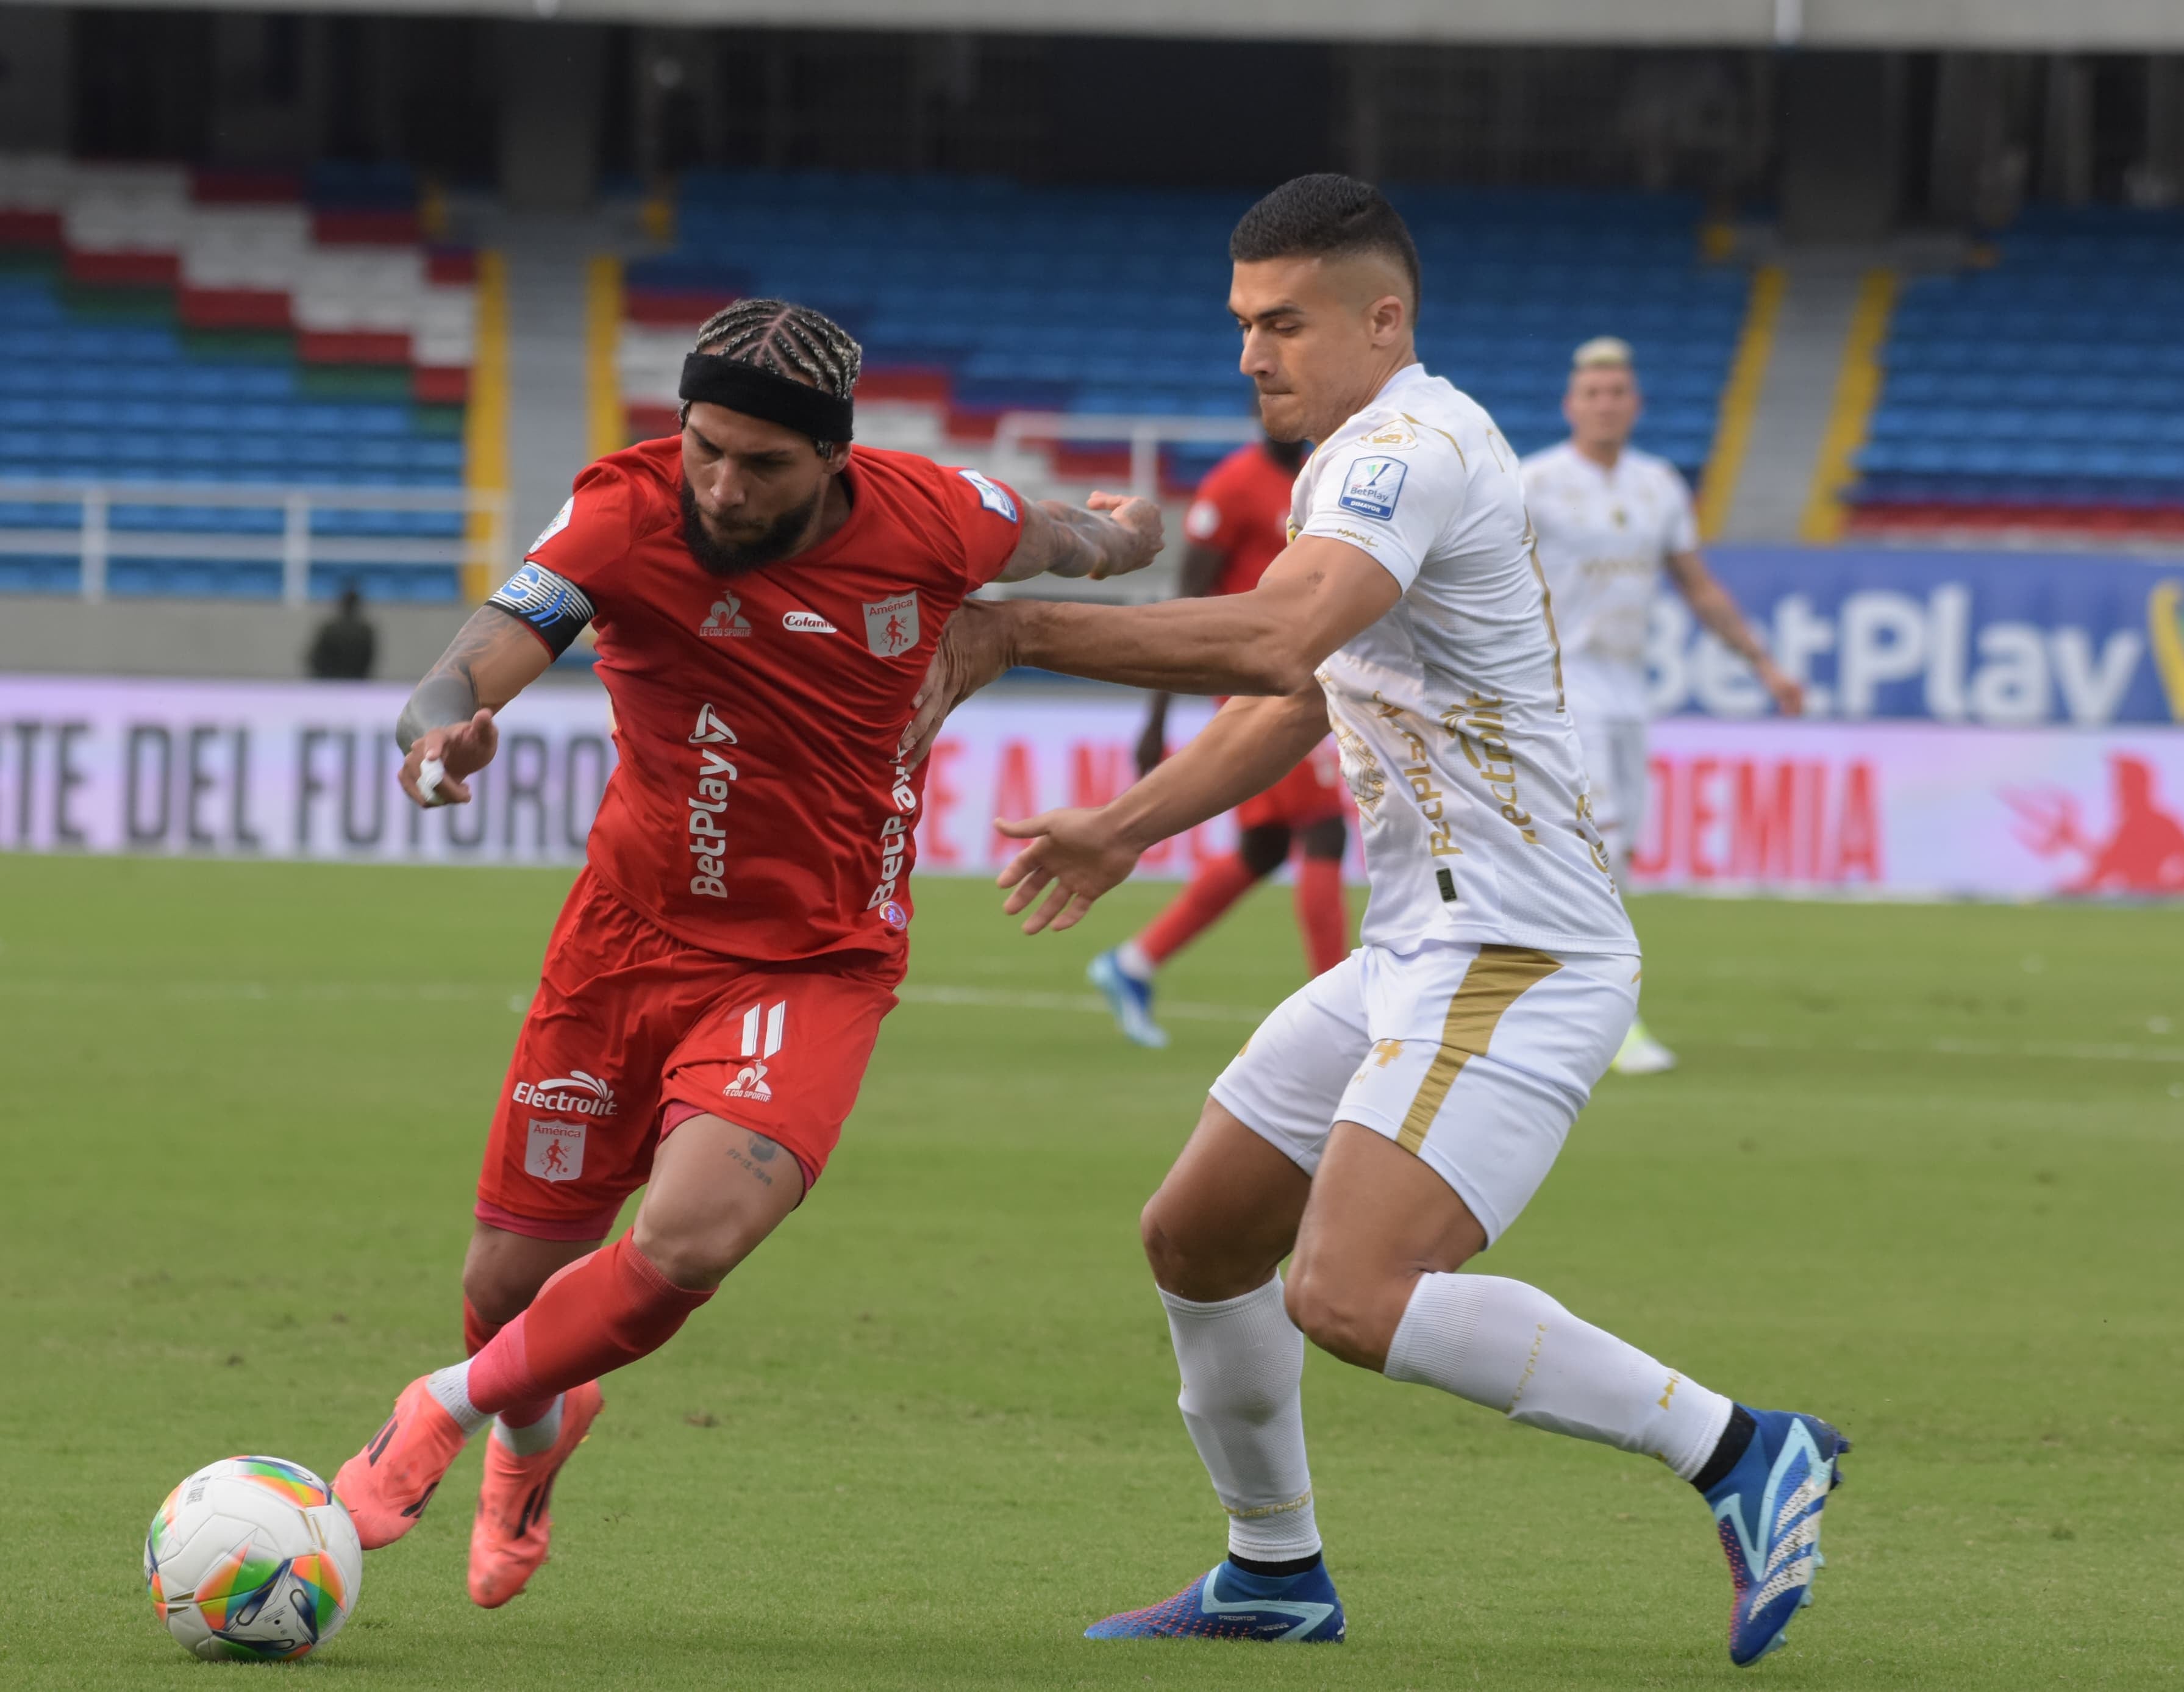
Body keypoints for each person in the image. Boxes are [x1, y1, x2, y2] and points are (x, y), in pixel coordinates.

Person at [905, 176, 1843, 1666]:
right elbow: (1300, 693)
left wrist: (1017, 628)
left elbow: (1279, 633)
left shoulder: (1408, 445)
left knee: (1345, 1288)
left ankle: (1738, 1449)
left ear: (1380, 317)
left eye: (1282, 322)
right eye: (1240, 325)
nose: (1250, 355)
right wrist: (1123, 825)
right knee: (1197, 1235)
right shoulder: (1353, 459)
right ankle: (1271, 1568)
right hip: (1417, 950)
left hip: (1519, 950)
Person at [329, 298, 1162, 1610]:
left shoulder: (937, 515)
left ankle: (435, 1412)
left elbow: (1077, 539)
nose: (720, 484)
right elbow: (465, 663)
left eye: (761, 461)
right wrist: (445, 729)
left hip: (811, 956)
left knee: (695, 1232)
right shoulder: (620, 512)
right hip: (620, 942)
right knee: (504, 1288)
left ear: (832, 456)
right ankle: (533, 1439)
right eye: (703, 446)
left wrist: (1128, 531)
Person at [1521, 338, 1805, 1075]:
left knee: (1619, 854)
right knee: (1601, 848)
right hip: (1558, 686)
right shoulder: (1534, 482)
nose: (1605, 403)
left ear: (1634, 404)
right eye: (1592, 393)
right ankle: (1607, 1018)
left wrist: (1764, 665)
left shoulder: (1658, 485)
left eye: (1617, 392)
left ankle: (1549, 995)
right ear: (1570, 405)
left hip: (1625, 689)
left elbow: (1696, 585)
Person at [1086, 431, 1349, 1049]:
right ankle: (1337, 1012)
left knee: (1266, 846)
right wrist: (1156, 715)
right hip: (1258, 680)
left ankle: (1133, 963)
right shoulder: (1232, 485)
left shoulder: (1321, 472)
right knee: (1323, 827)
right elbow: (1188, 600)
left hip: (1303, 672)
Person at [305, 585, 378, 680]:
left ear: (342, 605)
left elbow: (314, 659)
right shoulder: (366, 631)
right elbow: (369, 661)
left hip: (330, 681)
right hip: (356, 681)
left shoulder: (330, 629)